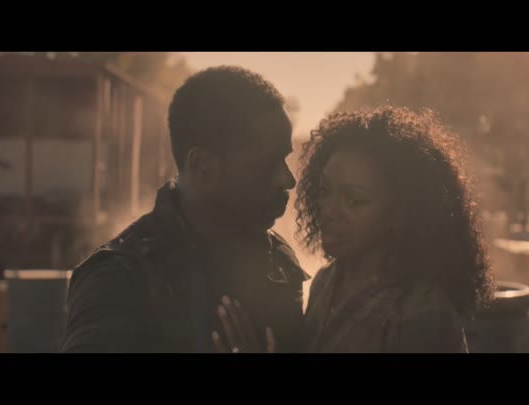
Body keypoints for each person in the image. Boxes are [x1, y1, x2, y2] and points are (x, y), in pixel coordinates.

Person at [61, 66, 309, 353]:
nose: (287, 180)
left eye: (285, 159)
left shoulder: (280, 263)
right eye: (267, 165)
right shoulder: (119, 280)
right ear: (202, 166)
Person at [294, 106, 494, 352]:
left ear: (401, 213)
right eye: (324, 191)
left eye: (354, 200)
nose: (328, 211)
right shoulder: (325, 281)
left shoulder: (419, 312)